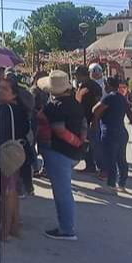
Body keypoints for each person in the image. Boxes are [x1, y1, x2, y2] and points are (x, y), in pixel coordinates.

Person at [38, 70, 86, 241]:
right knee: (64, 190)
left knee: (62, 192)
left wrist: (75, 141)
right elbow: (83, 125)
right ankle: (66, 226)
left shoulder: (54, 106)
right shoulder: (75, 103)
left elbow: (59, 130)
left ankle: (66, 229)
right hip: (72, 153)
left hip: (59, 152)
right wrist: (80, 142)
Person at [0, 75, 30, 240]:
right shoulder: (19, 109)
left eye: (4, 88)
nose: (0, 90)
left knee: (7, 192)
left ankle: (5, 228)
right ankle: (14, 226)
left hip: (8, 154)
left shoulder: (4, 109)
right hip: (18, 152)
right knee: (13, 190)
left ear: (13, 94)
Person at [91, 76, 130, 195]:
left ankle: (111, 185)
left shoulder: (109, 97)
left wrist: (95, 121)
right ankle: (122, 183)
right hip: (121, 131)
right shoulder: (122, 98)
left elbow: (95, 110)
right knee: (121, 159)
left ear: (108, 85)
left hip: (109, 131)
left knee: (110, 159)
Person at [74, 65, 103, 174]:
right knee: (85, 145)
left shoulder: (94, 87)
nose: (76, 77)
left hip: (91, 120)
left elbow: (98, 105)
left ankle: (102, 168)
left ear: (83, 75)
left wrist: (95, 120)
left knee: (95, 145)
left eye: (77, 75)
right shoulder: (81, 86)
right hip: (82, 120)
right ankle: (89, 166)